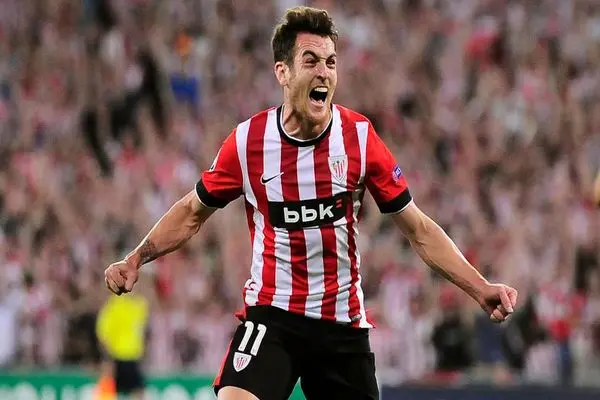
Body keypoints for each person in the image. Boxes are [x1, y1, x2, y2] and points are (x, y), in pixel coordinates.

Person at [104, 7, 518, 400]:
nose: (324, 72)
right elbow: (191, 212)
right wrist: (137, 258)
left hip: (340, 325)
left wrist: (480, 287)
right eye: (311, 61)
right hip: (273, 316)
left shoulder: (359, 139)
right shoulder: (248, 142)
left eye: (331, 62)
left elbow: (419, 230)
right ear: (283, 72)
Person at [96, 291, 149, 399]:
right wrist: (108, 356)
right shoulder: (114, 305)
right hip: (118, 356)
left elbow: (142, 332)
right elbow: (102, 333)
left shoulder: (141, 305)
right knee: (116, 391)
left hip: (133, 357)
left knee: (135, 391)